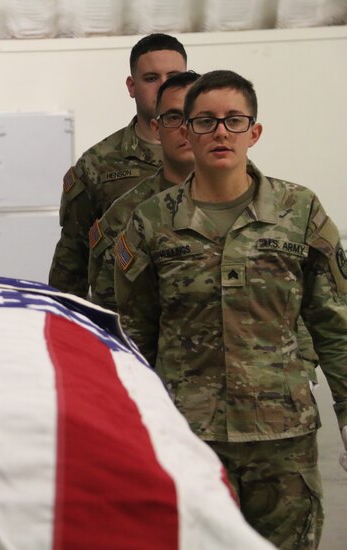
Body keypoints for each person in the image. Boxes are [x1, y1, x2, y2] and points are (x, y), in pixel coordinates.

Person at [114, 70, 347, 549]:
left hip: (282, 439)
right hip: (190, 439)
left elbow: (334, 324)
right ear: (185, 132)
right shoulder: (152, 221)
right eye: (204, 121)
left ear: (253, 133)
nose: (220, 132)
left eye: (234, 120)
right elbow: (133, 335)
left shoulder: (299, 210)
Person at [49, 33, 187, 296]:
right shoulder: (98, 164)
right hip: (121, 318)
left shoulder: (209, 153)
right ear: (132, 86)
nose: (163, 86)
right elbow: (72, 256)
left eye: (174, 77)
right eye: (151, 78)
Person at [88, 70, 199, 310]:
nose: (186, 129)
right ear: (156, 128)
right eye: (174, 118)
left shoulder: (282, 207)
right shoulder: (126, 217)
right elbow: (110, 314)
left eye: (200, 118)